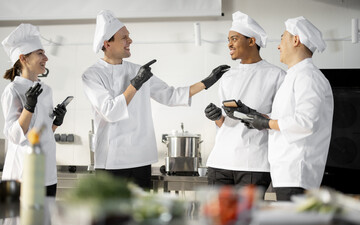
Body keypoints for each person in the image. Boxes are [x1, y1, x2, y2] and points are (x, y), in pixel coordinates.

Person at [82, 10, 229, 189]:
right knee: (112, 215)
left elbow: (171, 95)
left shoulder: (138, 70)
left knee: (142, 213)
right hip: (111, 162)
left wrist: (207, 82)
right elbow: (110, 112)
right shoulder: (92, 75)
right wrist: (135, 84)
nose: (130, 40)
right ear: (107, 43)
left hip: (139, 159)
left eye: (129, 36)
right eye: (124, 37)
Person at [228, 16, 334, 201]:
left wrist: (267, 123)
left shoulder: (308, 76)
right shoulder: (295, 76)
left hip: (298, 172)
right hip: (286, 172)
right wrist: (255, 116)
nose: (278, 46)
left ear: (295, 40)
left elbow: (306, 122)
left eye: (282, 39)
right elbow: (286, 117)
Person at [204, 11, 285, 194]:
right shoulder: (227, 77)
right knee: (217, 219)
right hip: (219, 161)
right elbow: (225, 124)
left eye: (234, 38)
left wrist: (254, 115)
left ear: (251, 41)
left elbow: (283, 121)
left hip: (254, 163)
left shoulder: (277, 75)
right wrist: (217, 117)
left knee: (245, 219)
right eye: (228, 39)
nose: (229, 44)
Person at [1, 24, 67, 197]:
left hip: (47, 173)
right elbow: (14, 136)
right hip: (22, 173)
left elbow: (41, 133)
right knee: (20, 224)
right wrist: (28, 108)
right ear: (23, 58)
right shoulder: (12, 90)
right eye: (40, 53)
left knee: (45, 223)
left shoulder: (46, 89)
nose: (46, 57)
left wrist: (55, 124)